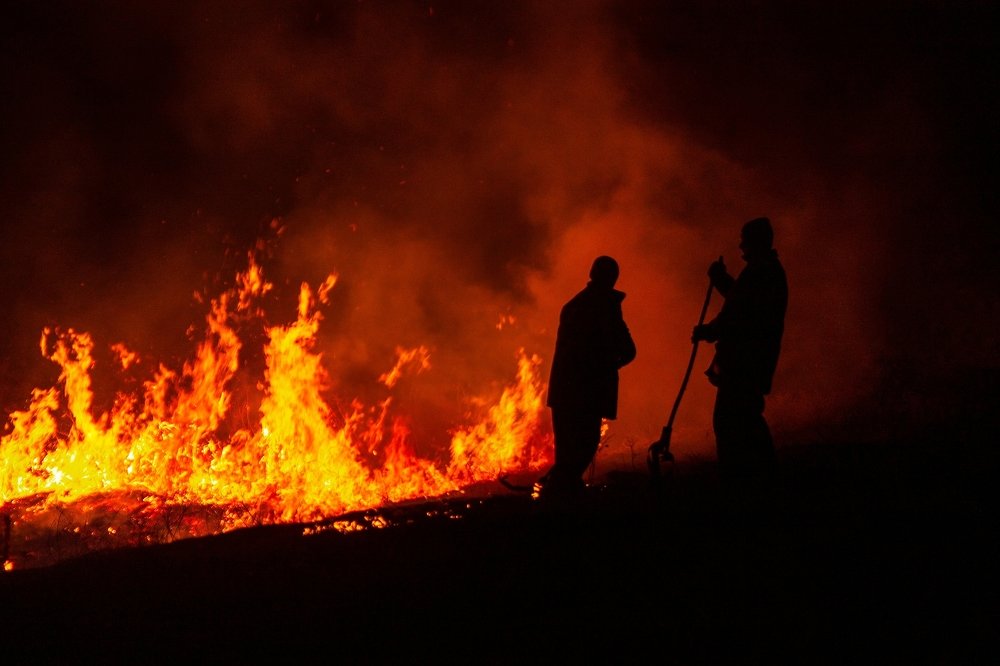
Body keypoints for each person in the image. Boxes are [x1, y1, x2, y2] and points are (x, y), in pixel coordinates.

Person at [692, 217, 787, 494]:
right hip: (751, 361)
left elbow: (738, 314)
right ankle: (761, 480)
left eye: (745, 239)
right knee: (746, 420)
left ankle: (740, 485)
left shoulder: (761, 272)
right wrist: (721, 279)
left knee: (732, 422)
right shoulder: (764, 271)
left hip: (745, 362)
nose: (740, 244)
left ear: (755, 241)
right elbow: (740, 300)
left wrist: (708, 331)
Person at [542, 255, 636, 501]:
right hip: (586, 391)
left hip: (566, 391)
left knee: (569, 451)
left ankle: (554, 495)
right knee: (583, 446)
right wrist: (608, 365)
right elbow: (627, 350)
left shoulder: (575, 305)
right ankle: (558, 497)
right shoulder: (603, 306)